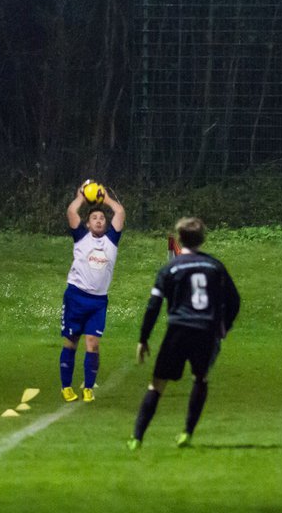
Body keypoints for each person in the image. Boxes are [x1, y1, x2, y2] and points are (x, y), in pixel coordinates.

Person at [127, 217, 240, 450]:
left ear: (179, 239)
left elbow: (153, 304)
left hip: (178, 329)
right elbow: (234, 300)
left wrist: (143, 338)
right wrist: (223, 328)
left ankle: (137, 438)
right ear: (202, 239)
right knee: (200, 378)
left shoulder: (171, 268)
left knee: (157, 385)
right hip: (206, 331)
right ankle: (187, 433)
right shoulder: (215, 266)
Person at [59, 183, 125, 402]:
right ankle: (66, 387)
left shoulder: (111, 241)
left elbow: (120, 212)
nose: (98, 220)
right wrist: (81, 197)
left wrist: (104, 198)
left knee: (93, 344)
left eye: (101, 218)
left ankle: (88, 387)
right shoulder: (81, 237)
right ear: (87, 224)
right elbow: (71, 212)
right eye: (94, 218)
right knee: (71, 341)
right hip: (76, 296)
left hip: (98, 301)